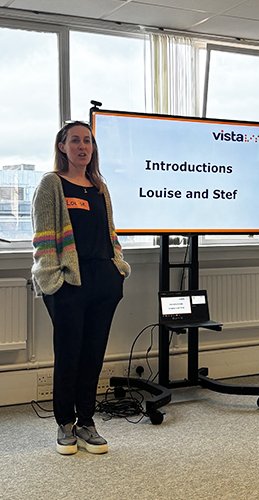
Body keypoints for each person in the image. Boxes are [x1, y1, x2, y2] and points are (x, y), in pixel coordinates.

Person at [31, 121, 131, 454]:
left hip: (104, 281)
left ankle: (86, 421)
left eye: (87, 141)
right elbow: (44, 239)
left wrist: (119, 268)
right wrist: (52, 281)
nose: (82, 146)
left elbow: (110, 232)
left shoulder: (99, 185)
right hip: (68, 283)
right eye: (75, 140)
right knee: (69, 355)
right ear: (62, 146)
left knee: (93, 355)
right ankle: (65, 423)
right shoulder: (52, 184)